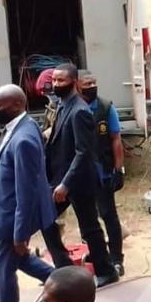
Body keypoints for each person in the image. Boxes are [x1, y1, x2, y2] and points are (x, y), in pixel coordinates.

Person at [41, 63, 118, 288]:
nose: (56, 85)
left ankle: (106, 270)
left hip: (79, 181)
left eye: (61, 81)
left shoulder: (80, 111)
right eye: (54, 80)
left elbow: (84, 152)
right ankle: (64, 268)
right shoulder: (63, 105)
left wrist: (65, 184)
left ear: (74, 83)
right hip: (61, 179)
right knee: (46, 220)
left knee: (89, 227)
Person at [0, 85, 55, 302]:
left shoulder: (24, 140)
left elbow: (26, 191)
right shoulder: (17, 130)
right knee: (23, 262)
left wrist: (20, 233)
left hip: (10, 222)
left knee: (2, 273)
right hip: (6, 215)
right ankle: (66, 283)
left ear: (17, 105)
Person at [78, 72, 127, 276]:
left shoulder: (106, 108)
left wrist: (118, 168)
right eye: (87, 84)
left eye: (94, 83)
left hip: (102, 173)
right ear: (77, 87)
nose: (91, 86)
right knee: (87, 219)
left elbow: (115, 139)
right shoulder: (71, 108)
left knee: (108, 215)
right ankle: (98, 254)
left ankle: (116, 258)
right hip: (80, 175)